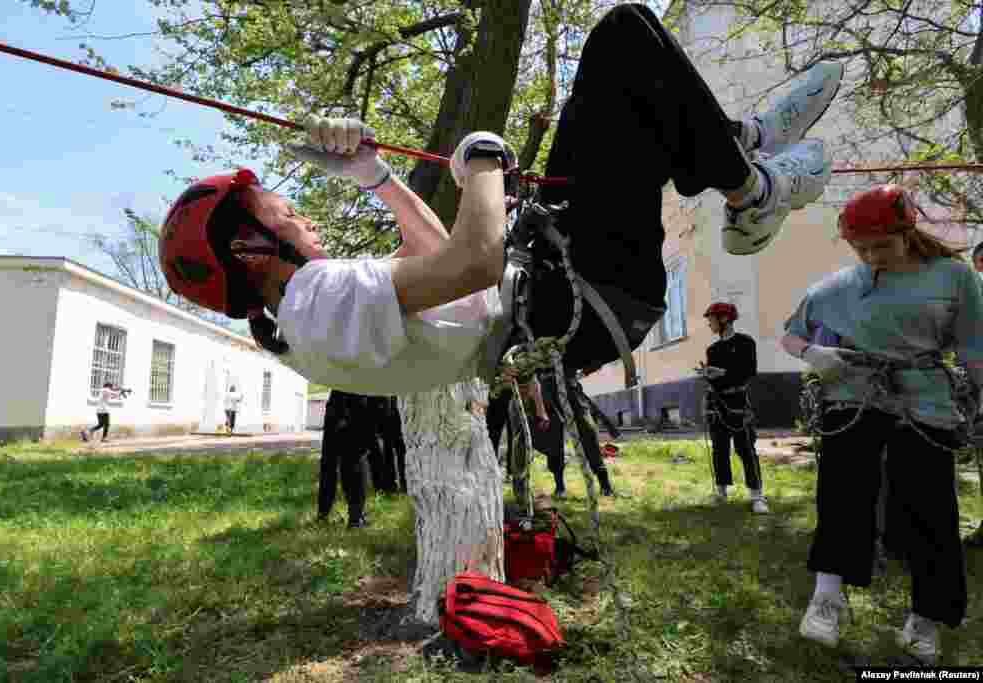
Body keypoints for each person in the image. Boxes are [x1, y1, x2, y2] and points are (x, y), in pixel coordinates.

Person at [157, 4, 843, 399]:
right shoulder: (318, 300)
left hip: (560, 283)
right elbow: (476, 261)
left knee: (615, 86)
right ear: (249, 247)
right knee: (622, 37)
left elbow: (434, 256)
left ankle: (738, 146)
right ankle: (752, 189)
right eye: (282, 211)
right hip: (574, 287)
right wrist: (483, 158)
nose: (299, 215)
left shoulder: (310, 316)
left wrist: (372, 174)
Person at [781, 184, 983, 663]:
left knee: (929, 510)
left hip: (923, 403)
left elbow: (975, 348)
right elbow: (790, 336)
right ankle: (827, 599)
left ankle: (926, 618)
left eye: (882, 246)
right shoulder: (836, 287)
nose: (871, 256)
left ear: (908, 232)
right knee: (842, 497)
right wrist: (813, 353)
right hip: (852, 397)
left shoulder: (953, 277)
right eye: (860, 248)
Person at [487, 369, 616, 498]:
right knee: (550, 437)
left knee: (586, 432)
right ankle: (560, 487)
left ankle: (605, 484)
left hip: (565, 383)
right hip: (544, 387)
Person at [697, 302, 768, 513]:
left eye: (711, 319)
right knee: (719, 448)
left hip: (738, 403)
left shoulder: (746, 343)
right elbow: (716, 381)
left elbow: (748, 372)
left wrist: (723, 374)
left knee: (746, 449)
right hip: (718, 403)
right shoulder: (713, 349)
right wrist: (709, 375)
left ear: (724, 319)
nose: (709, 323)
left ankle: (757, 496)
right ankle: (721, 492)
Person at [316, 390, 372, 528]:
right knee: (355, 458)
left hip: (338, 397)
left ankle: (323, 513)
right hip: (356, 396)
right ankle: (355, 518)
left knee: (330, 461)